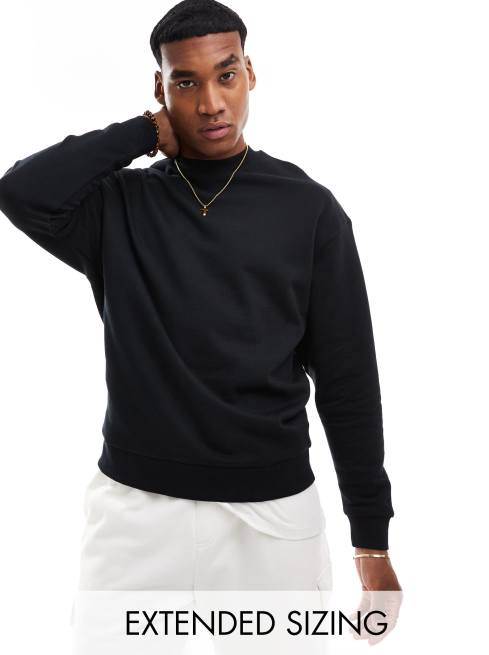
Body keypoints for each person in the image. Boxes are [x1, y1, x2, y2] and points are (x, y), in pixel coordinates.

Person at [0, 0, 401, 600]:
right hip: (135, 514)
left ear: (250, 74)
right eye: (185, 82)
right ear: (160, 89)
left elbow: (348, 380)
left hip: (271, 518)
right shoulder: (118, 206)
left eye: (226, 74)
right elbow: (20, 191)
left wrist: (371, 538)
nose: (211, 103)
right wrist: (141, 133)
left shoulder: (308, 209)